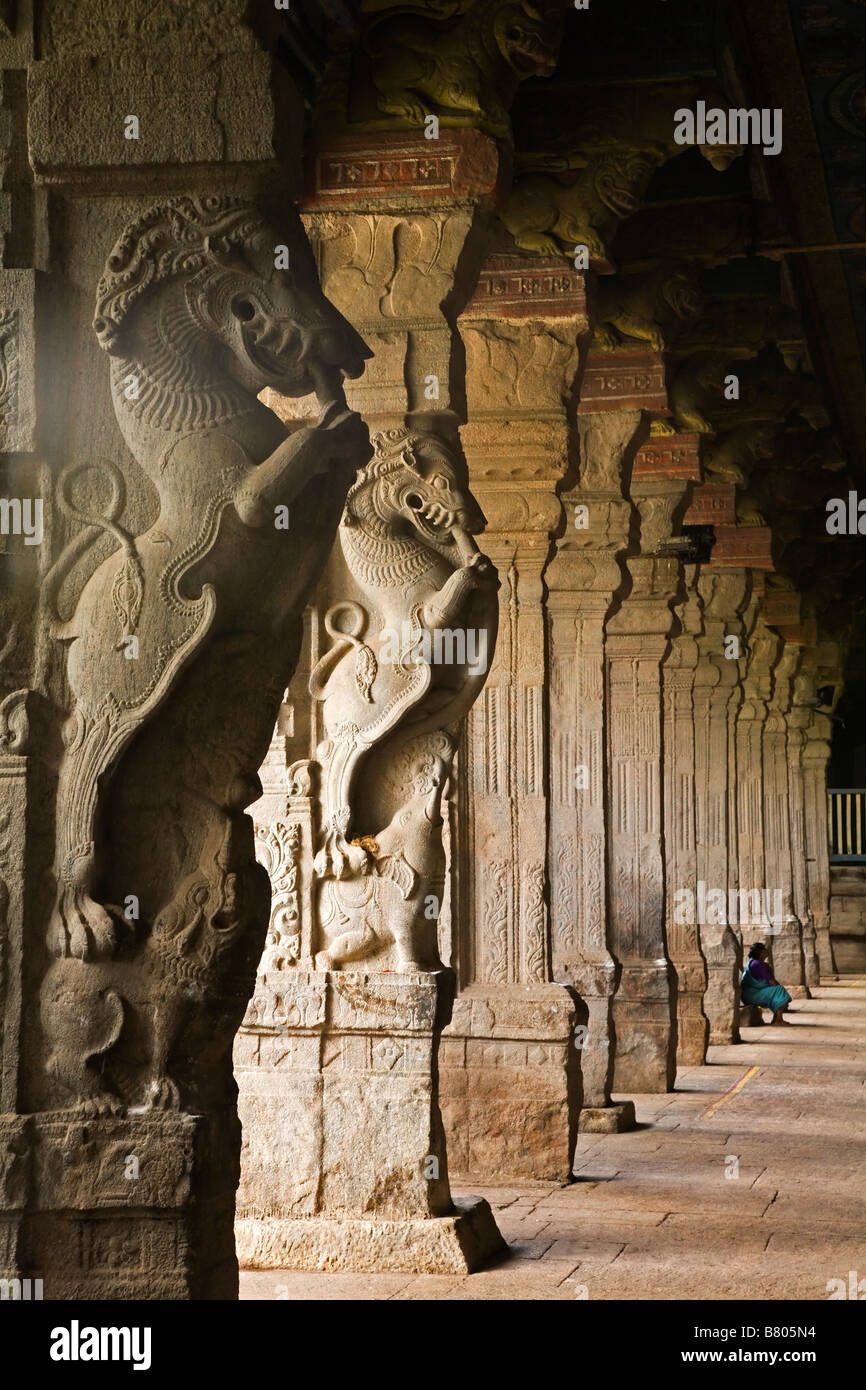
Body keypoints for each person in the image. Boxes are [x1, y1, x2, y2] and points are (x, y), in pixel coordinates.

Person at [741, 942, 792, 1025]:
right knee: (780, 991)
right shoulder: (758, 964)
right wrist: (783, 996)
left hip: (748, 994)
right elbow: (772, 982)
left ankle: (776, 1019)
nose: (766, 950)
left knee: (778, 993)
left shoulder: (754, 962)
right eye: (764, 949)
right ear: (760, 952)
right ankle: (778, 1019)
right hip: (751, 995)